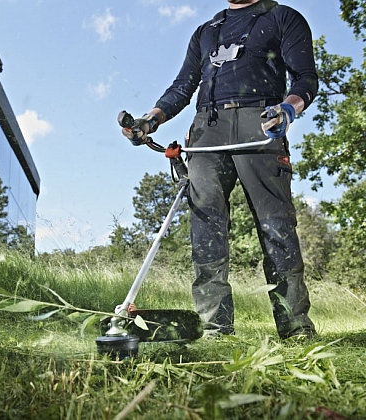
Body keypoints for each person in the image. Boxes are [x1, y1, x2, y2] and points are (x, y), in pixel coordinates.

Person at [122, 0, 317, 339]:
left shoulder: (282, 17)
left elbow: (305, 79)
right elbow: (183, 85)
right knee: (206, 229)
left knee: (276, 227)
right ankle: (214, 328)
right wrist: (150, 120)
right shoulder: (207, 32)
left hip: (260, 122)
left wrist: (287, 110)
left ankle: (295, 327)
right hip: (208, 128)